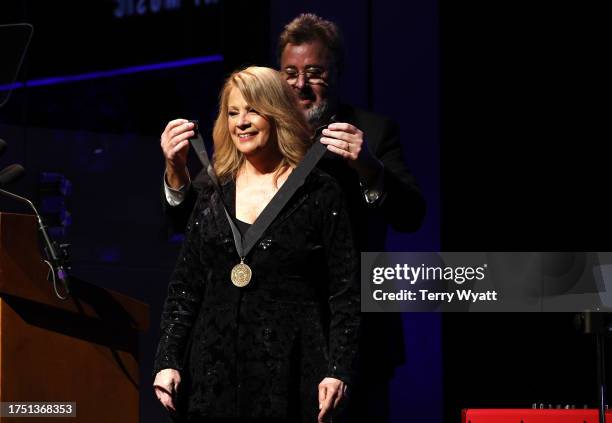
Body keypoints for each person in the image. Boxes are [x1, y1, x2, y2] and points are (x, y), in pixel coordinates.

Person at [153, 66, 360, 423]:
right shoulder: (212, 192)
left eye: (253, 110)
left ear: (277, 113)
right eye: (233, 113)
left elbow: (345, 291)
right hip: (212, 377)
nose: (242, 122)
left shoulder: (318, 191)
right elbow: (186, 286)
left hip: (291, 374)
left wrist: (338, 368)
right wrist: (168, 360)